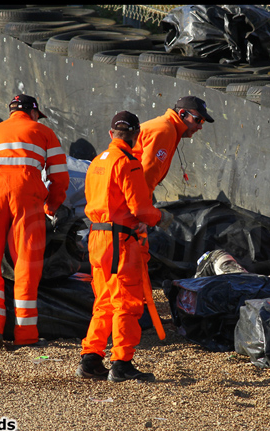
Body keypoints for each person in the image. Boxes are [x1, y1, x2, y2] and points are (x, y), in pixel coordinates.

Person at [0, 94, 69, 348]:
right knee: (27, 265)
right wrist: (52, 206)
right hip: (27, 197)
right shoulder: (44, 132)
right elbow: (59, 177)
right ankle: (26, 335)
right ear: (34, 112)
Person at [77, 111, 173, 382]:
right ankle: (121, 363)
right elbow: (141, 209)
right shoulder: (128, 163)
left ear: (111, 134)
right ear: (136, 136)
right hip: (120, 242)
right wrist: (160, 217)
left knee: (104, 302)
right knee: (127, 302)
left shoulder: (98, 161)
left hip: (96, 238)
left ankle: (91, 359)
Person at [131, 95, 215, 328]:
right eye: (198, 120)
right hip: (128, 205)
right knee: (134, 259)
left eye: (202, 122)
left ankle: (135, 312)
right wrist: (143, 216)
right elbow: (144, 178)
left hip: (128, 202)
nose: (199, 127)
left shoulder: (167, 128)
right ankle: (133, 315)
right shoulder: (165, 131)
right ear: (182, 115)